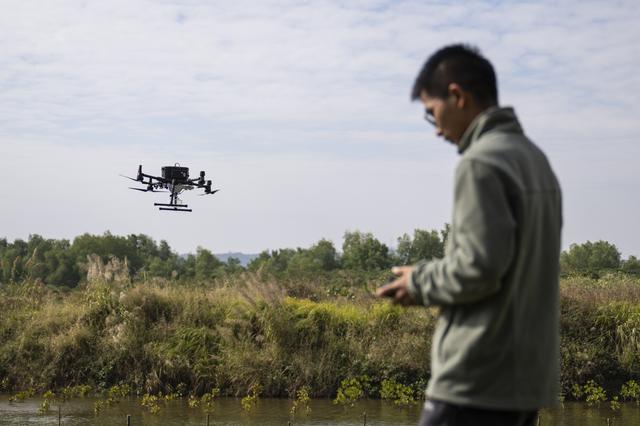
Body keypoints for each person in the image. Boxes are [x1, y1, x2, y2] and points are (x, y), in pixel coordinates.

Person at [376, 44, 562, 426]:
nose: (437, 130)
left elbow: (479, 268)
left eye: (432, 113)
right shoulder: (535, 160)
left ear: (457, 96)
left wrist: (420, 281)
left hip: (476, 378)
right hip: (523, 383)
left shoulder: (479, 163)